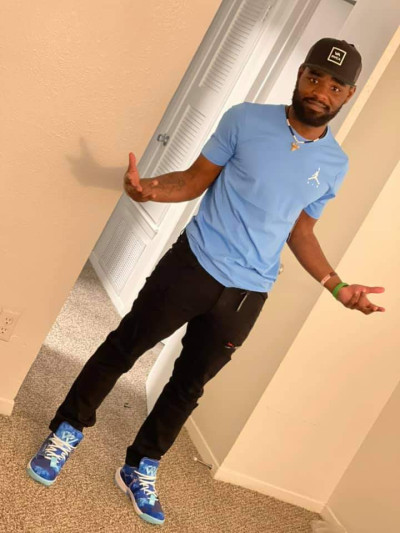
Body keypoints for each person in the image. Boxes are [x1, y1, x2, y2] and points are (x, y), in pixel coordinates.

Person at [27, 38, 385, 526]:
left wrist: (338, 287)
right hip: (194, 264)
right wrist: (149, 190)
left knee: (189, 384)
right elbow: (196, 179)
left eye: (335, 86)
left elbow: (300, 231)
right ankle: (66, 430)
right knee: (124, 347)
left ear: (349, 94)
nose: (321, 91)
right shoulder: (245, 119)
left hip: (248, 293)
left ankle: (140, 466)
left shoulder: (335, 164)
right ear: (301, 73)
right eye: (315, 77)